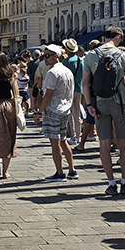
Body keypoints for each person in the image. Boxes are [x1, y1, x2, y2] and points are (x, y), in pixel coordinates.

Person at [83, 27, 125, 194]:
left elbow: (85, 83)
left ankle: (111, 183)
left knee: (104, 143)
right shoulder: (123, 55)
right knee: (123, 144)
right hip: (120, 102)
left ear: (104, 37)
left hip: (99, 103)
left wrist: (89, 105)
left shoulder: (91, 55)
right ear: (119, 37)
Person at [35, 44, 78, 181]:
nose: (45, 59)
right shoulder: (67, 71)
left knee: (55, 144)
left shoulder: (52, 73)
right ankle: (72, 170)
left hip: (53, 110)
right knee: (63, 140)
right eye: (44, 56)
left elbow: (48, 95)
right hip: (65, 109)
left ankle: (60, 173)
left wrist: (39, 112)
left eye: (47, 56)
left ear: (56, 56)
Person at [60, 39, 85, 146]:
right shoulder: (81, 61)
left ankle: (73, 136)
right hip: (79, 89)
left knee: (69, 113)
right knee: (77, 114)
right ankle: (79, 136)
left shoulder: (65, 62)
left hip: (68, 90)